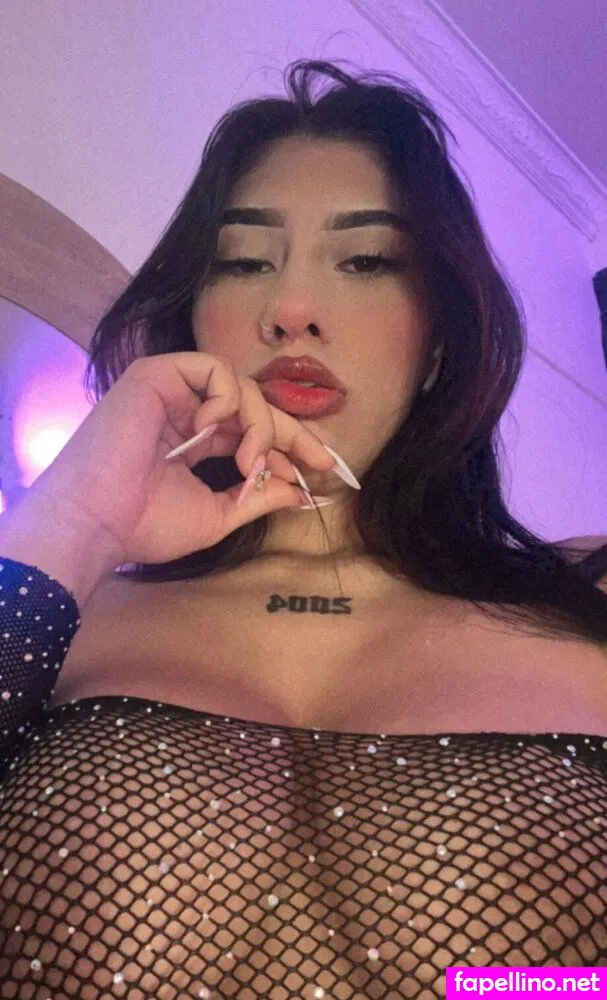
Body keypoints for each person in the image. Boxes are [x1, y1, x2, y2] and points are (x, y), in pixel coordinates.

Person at [0, 59, 606, 998]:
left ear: (439, 336)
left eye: (365, 261)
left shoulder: (589, 595)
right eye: (243, 262)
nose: (289, 311)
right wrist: (74, 523)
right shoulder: (57, 610)